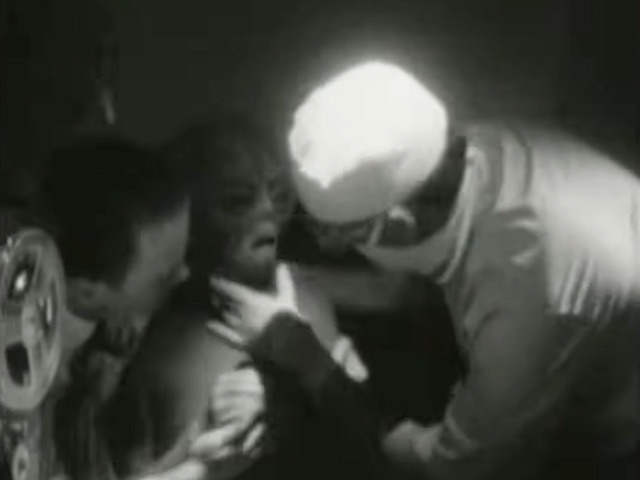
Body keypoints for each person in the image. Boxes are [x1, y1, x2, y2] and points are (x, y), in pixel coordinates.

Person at [208, 62, 640, 479]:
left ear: (400, 221)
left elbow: (450, 468)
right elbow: (416, 281)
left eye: (338, 235)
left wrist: (313, 362)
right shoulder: (462, 151)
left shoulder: (532, 291)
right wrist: (303, 280)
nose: (323, 245)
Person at [105, 115, 371, 480]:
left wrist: (326, 374)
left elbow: (407, 293)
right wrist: (198, 458)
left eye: (278, 193)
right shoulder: (149, 339)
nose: (267, 210)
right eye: (238, 201)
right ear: (189, 221)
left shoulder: (304, 285)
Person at [35, 138, 191, 480]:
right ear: (87, 294)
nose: (185, 274)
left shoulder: (106, 327)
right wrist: (201, 466)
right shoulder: (32, 397)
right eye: (162, 278)